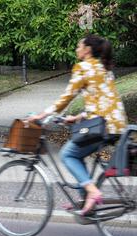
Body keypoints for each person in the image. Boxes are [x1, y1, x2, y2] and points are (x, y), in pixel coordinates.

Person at [27, 34, 128, 215]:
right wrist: (78, 117)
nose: (76, 49)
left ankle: (92, 192)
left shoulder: (83, 68)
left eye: (78, 46)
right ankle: (83, 201)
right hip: (117, 125)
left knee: (68, 155)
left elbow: (65, 98)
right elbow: (102, 102)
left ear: (87, 49)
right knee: (78, 153)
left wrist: (42, 114)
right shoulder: (104, 68)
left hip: (102, 127)